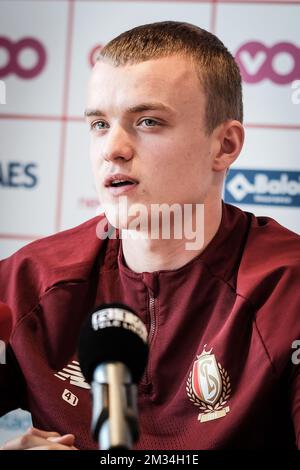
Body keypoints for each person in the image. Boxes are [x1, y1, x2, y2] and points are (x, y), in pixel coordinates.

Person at [0, 21, 299, 451]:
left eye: (148, 121)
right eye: (100, 124)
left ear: (225, 146)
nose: (113, 149)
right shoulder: (28, 280)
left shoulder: (288, 289)